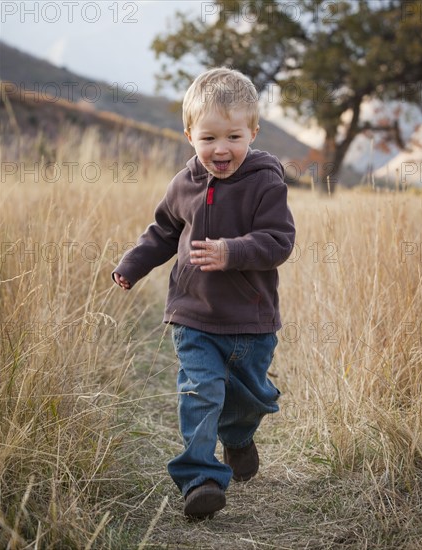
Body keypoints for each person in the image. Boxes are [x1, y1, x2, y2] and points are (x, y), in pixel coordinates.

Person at [113, 67, 295, 519]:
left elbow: (279, 242)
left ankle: (237, 438)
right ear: (189, 134)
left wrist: (232, 251)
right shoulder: (184, 184)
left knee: (247, 400)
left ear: (253, 132)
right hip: (193, 316)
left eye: (234, 136)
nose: (221, 149)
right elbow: (161, 232)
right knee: (200, 392)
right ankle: (200, 478)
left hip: (251, 322)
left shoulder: (265, 183)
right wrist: (132, 265)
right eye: (208, 137)